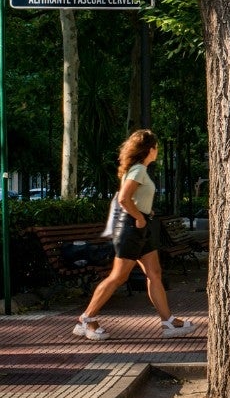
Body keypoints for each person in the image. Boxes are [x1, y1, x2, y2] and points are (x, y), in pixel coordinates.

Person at [73, 129, 197, 341]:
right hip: (131, 228)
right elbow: (123, 198)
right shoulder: (138, 170)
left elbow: (135, 198)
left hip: (141, 227)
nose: (157, 151)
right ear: (150, 149)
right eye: (156, 147)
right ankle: (86, 319)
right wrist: (139, 217)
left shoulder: (140, 170)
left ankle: (168, 322)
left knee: (154, 273)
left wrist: (146, 213)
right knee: (118, 276)